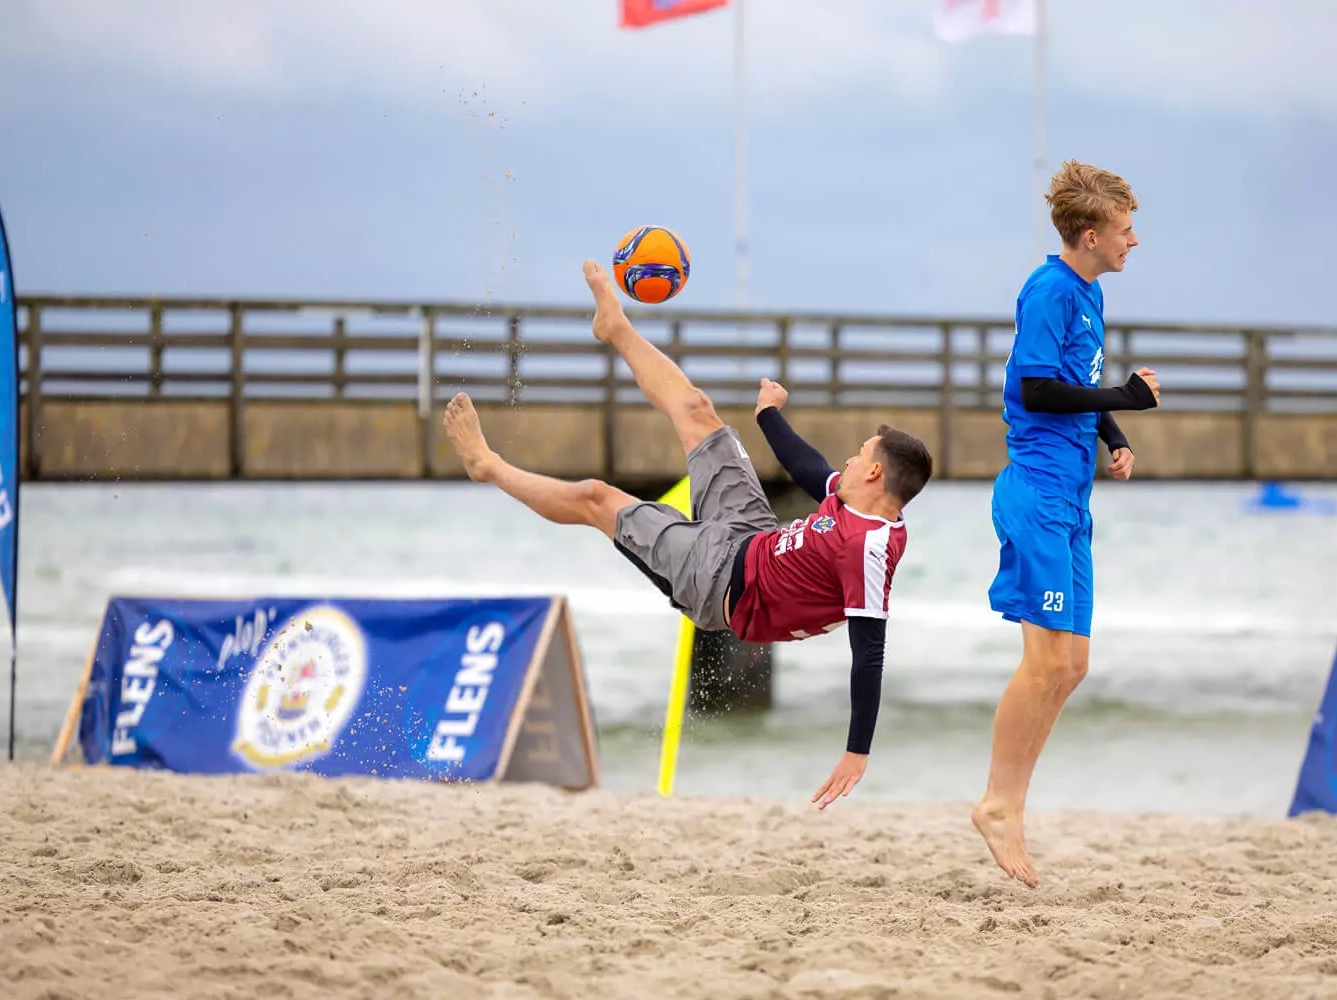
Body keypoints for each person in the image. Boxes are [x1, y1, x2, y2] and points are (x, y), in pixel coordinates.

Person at [443, 260, 934, 808]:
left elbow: (869, 654)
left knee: (597, 498)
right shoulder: (853, 498)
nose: (851, 455)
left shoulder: (868, 548)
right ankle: (616, 327)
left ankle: (487, 466)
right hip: (753, 535)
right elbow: (807, 467)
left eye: (861, 452)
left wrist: (856, 750)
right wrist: (768, 416)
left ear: (874, 473)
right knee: (698, 410)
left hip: (720, 585)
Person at [972, 160, 1162, 888]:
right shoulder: (1050, 289)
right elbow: (1034, 385)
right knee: (1046, 663)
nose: (1133, 241)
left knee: (1073, 666)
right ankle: (998, 804)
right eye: (1124, 230)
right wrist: (1125, 396)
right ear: (1091, 235)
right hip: (1037, 496)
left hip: (1070, 499)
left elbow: (1075, 384)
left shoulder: (1086, 294)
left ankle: (1008, 804)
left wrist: (1113, 434)